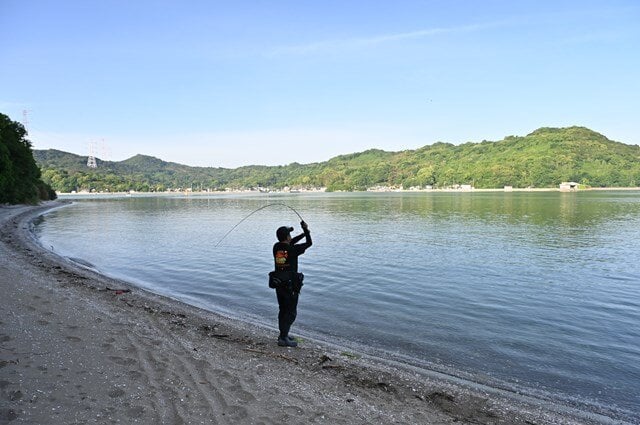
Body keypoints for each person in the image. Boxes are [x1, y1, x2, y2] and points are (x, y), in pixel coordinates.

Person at [271, 220, 312, 347]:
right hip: (290, 285)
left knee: (282, 309)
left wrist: (304, 233)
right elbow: (309, 243)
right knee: (291, 312)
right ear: (287, 237)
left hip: (279, 283)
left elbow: (291, 242)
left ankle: (283, 334)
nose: (291, 237)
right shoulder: (292, 249)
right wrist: (306, 231)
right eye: (289, 234)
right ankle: (283, 339)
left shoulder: (277, 247)